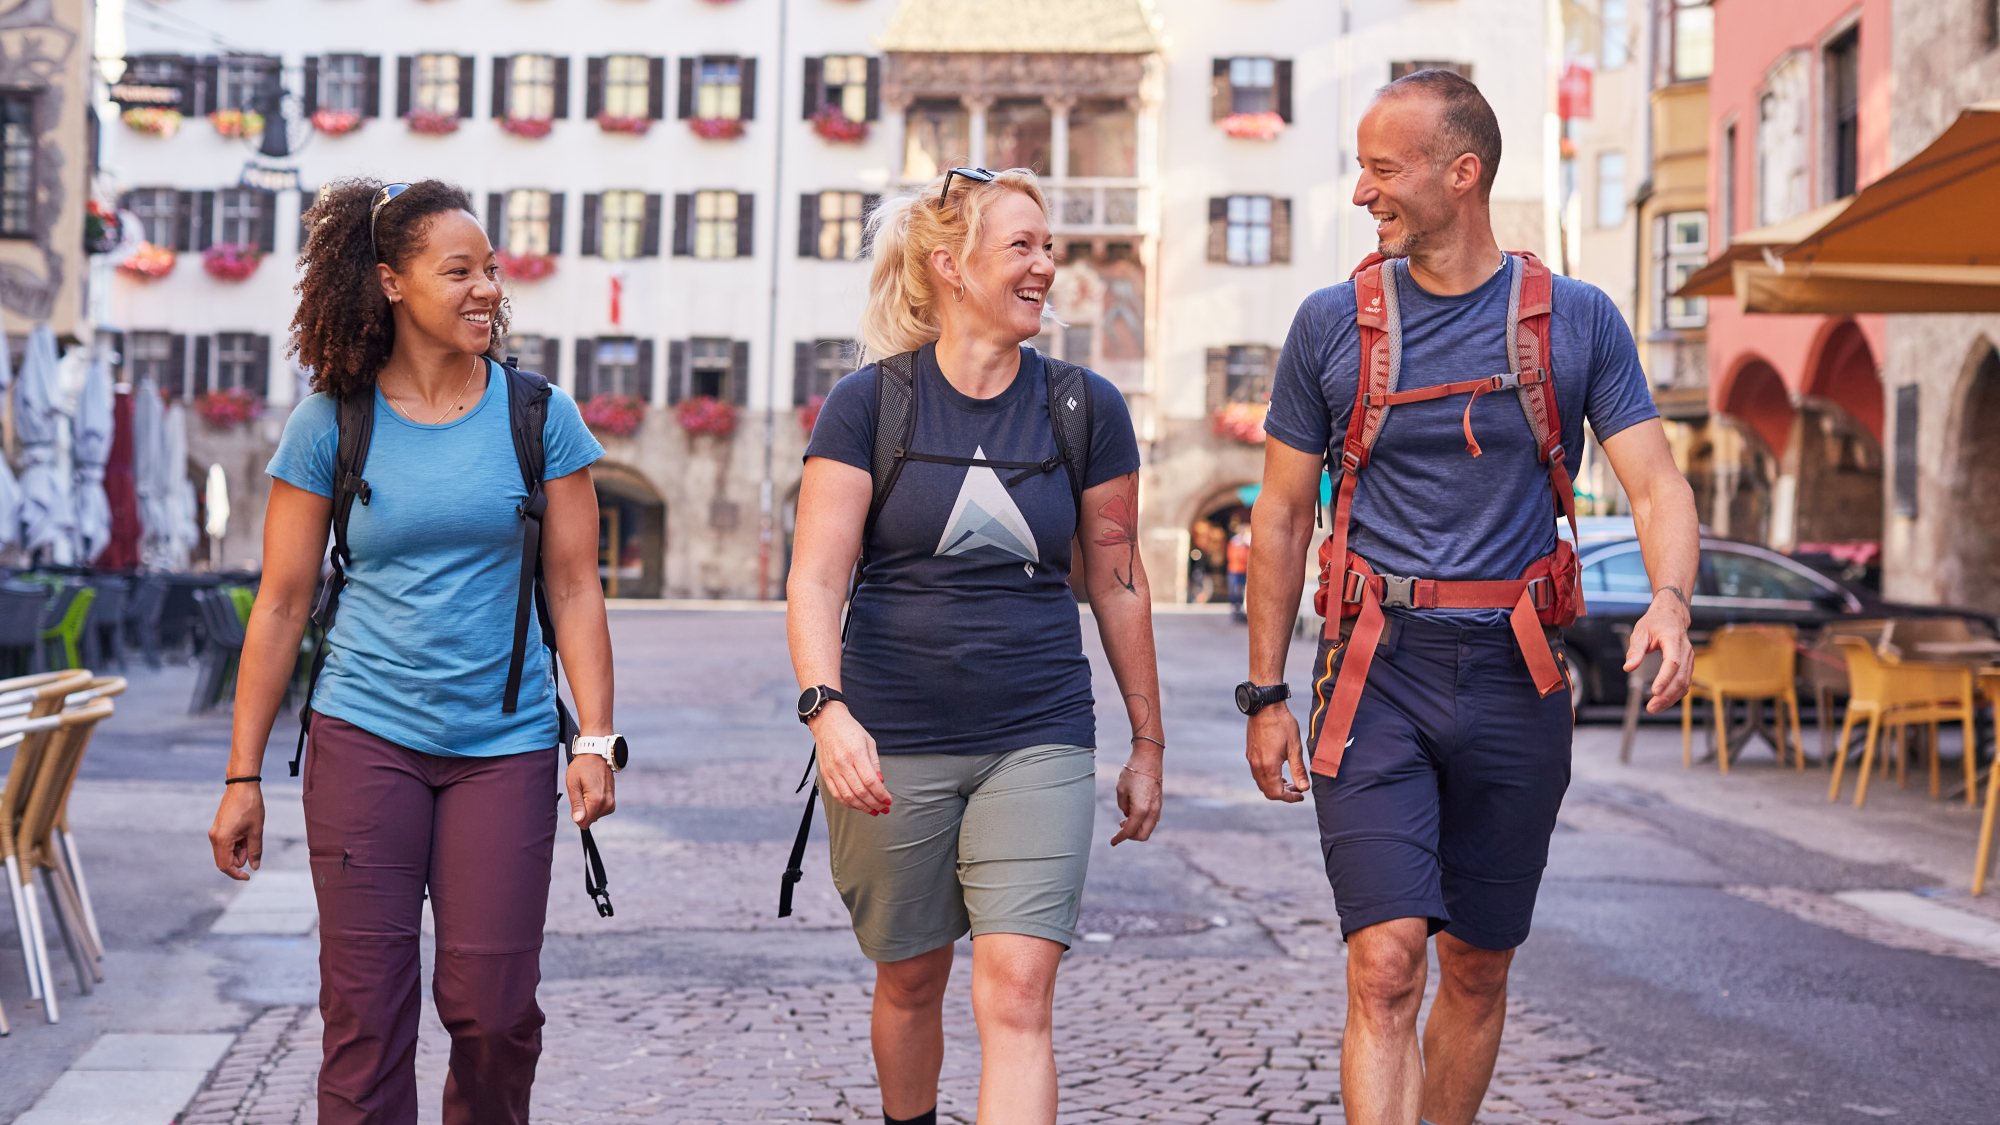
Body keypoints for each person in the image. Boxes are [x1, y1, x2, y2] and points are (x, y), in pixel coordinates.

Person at [1238, 72, 1697, 1125]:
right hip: (1374, 674)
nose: (1362, 192)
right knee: (1385, 964)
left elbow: (1656, 482)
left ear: (1463, 172)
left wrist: (1668, 599)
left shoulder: (1576, 321)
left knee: (1479, 967)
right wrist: (1263, 691)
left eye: (1383, 168)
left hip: (1514, 675)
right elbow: (1274, 517)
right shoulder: (1328, 327)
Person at [206, 178, 619, 1125]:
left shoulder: (537, 414)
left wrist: (594, 737)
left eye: (491, 270)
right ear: (390, 282)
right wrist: (241, 774)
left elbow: (574, 585)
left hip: (505, 744)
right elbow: (280, 604)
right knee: (365, 1014)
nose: (486, 288)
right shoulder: (332, 423)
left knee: (494, 1012)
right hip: (364, 737)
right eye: (458, 270)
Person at [787, 167, 1165, 1125]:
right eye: (1023, 247)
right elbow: (816, 578)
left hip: (1035, 731)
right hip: (889, 739)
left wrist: (1147, 742)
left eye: (1051, 247)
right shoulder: (868, 406)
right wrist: (826, 712)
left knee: (1016, 992)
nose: (1047, 266)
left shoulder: (1085, 408)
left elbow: (1117, 577)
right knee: (910, 981)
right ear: (951, 267)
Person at [1226, 526, 1252, 621]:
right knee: (1235, 590)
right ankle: (1235, 610)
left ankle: (1241, 610)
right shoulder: (1234, 543)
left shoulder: (1246, 544)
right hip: (1235, 570)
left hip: (1244, 570)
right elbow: (1232, 556)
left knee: (1243, 591)